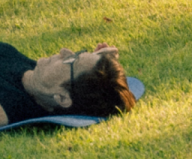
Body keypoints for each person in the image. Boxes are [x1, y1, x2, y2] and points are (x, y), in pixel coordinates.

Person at [1, 42, 136, 126]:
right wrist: (98, 61)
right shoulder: (35, 74)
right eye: (78, 53)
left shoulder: (9, 105)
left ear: (62, 98)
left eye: (71, 60)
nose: (64, 51)